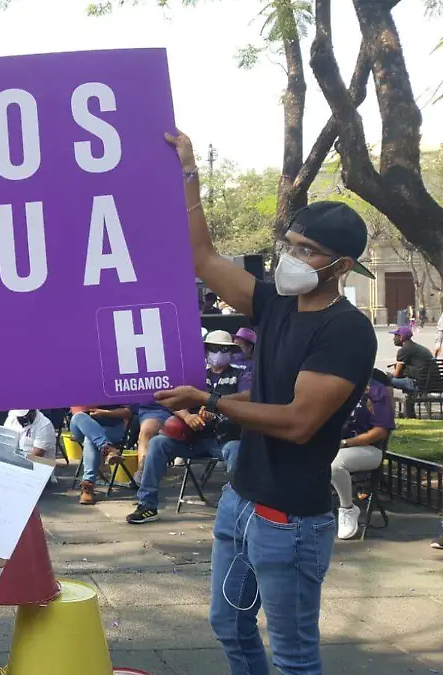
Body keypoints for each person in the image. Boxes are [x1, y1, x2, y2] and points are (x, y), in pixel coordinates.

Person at [158, 130, 376, 675]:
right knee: (228, 626)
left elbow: (300, 422)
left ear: (341, 265)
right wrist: (189, 172)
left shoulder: (345, 330)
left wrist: (213, 399)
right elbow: (202, 257)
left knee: (294, 656)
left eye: (309, 251)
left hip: (290, 521)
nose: (294, 257)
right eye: (291, 244)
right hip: (242, 502)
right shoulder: (275, 305)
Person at [126, 330, 247, 525]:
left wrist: (215, 407)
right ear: (206, 350)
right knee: (157, 443)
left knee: (236, 450)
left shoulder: (240, 375)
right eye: (214, 348)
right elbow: (172, 400)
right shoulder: (195, 375)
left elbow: (247, 398)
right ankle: (147, 505)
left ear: (232, 352)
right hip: (193, 437)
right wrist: (187, 416)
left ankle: (238, 508)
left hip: (224, 438)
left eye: (224, 349)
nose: (218, 353)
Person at [333, 370, 394, 540]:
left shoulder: (376, 390)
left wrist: (345, 443)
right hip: (335, 445)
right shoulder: (334, 385)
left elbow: (380, 432)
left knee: (334, 464)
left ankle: (347, 508)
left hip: (369, 449)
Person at [68, 404, 131, 505]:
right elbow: (78, 410)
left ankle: (88, 484)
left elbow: (127, 413)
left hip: (112, 427)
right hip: (82, 424)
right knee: (79, 417)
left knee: (90, 438)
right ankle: (108, 449)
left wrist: (103, 412)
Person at [388, 326, 436, 392]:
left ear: (401, 337)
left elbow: (396, 374)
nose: (393, 339)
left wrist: (389, 375)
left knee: (384, 380)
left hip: (418, 385)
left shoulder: (403, 350)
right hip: (433, 384)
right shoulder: (420, 348)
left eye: (395, 336)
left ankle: (387, 401)